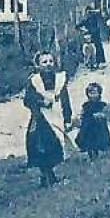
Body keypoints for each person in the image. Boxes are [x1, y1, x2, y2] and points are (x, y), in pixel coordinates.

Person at [23, 51, 74, 186]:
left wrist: (67, 118)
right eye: (44, 62)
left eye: (50, 61)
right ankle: (45, 174)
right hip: (40, 117)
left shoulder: (60, 79)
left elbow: (65, 100)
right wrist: (41, 101)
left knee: (55, 144)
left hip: (56, 115)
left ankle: (50, 173)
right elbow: (28, 100)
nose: (48, 65)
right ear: (38, 65)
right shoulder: (34, 81)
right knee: (40, 143)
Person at [75, 81, 110, 159]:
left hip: (97, 125)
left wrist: (101, 115)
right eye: (90, 93)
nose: (92, 95)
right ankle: (90, 153)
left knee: (98, 138)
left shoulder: (101, 104)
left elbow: (104, 113)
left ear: (99, 93)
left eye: (95, 93)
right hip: (88, 126)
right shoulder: (86, 105)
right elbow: (83, 113)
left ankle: (97, 151)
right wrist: (80, 119)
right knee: (88, 140)